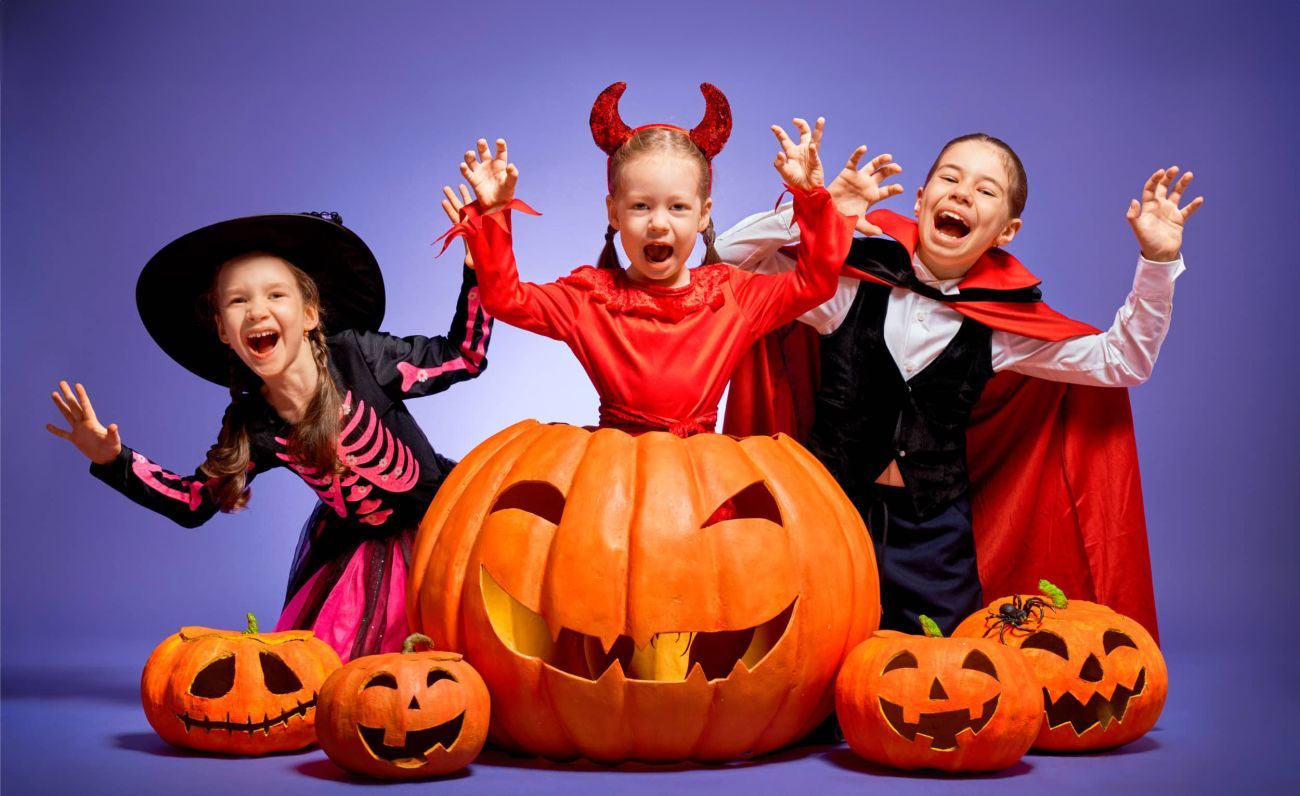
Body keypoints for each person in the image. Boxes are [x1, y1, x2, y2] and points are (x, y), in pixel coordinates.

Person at [719, 134, 1203, 635]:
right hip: (825, 518)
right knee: (808, 669)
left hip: (932, 541)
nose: (963, 193)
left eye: (986, 190)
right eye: (950, 179)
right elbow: (727, 263)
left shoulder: (1004, 331)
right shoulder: (842, 287)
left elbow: (1122, 361)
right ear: (922, 199)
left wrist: (1158, 263)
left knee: (943, 685)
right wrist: (812, 212)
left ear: (1007, 232)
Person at [46, 211, 493, 661]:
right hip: (360, 560)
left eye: (275, 294)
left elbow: (464, 356)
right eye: (238, 301)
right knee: (341, 685)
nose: (257, 309)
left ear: (310, 314)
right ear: (223, 329)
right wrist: (113, 458)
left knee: (477, 654)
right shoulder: (254, 423)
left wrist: (478, 268)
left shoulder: (361, 356)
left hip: (446, 525)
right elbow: (194, 502)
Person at [435, 82, 854, 436]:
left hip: (702, 477)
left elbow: (814, 284)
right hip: (612, 476)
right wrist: (493, 214)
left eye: (677, 208)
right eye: (640, 207)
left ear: (704, 213)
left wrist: (811, 199)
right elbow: (505, 299)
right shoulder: (588, 300)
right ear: (614, 212)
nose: (658, 224)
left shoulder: (731, 296)